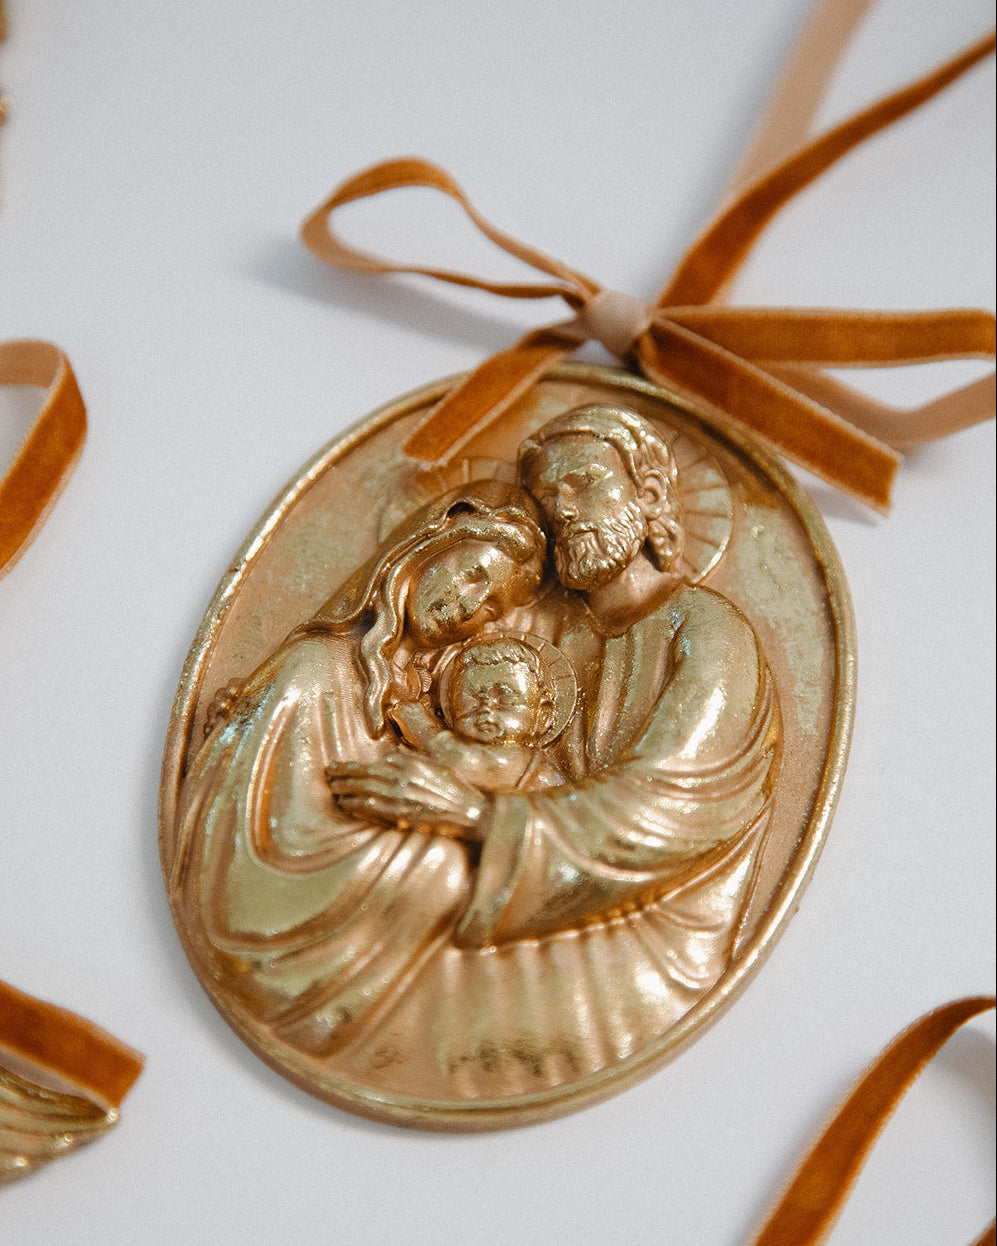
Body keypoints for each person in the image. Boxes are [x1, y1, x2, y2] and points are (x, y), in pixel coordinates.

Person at [172, 480, 547, 1059]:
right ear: (431, 546)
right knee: (441, 867)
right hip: (274, 883)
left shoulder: (419, 693)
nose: (471, 607)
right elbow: (250, 825)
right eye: (473, 574)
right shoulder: (316, 666)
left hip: (357, 876)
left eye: (492, 608)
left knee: (446, 866)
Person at [387, 635, 565, 795]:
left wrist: (424, 729)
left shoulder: (525, 763)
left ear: (544, 716)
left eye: (505, 701)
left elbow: (465, 760)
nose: (486, 709)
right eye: (470, 702)